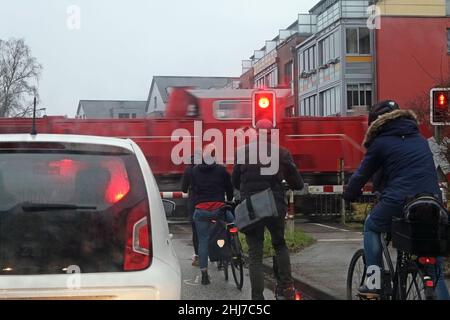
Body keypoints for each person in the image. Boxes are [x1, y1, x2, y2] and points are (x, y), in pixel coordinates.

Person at [343, 100, 450, 299]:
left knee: (372, 226)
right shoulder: (419, 139)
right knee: (435, 273)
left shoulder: (380, 142)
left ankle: (373, 281)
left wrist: (349, 194)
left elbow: (361, 175)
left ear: (376, 123)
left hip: (399, 201)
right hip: (433, 203)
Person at [232, 119, 304, 300]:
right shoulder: (281, 153)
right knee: (279, 245)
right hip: (275, 206)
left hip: (252, 209)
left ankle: (257, 297)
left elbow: (234, 181)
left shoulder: (242, 153)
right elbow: (297, 182)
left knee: (255, 254)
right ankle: (287, 288)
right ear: (272, 134)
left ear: (256, 133)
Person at [191, 147, 234, 285]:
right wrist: (230, 198)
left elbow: (191, 187)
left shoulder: (195, 170)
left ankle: (204, 274)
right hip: (219, 209)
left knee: (203, 240)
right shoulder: (221, 170)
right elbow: (230, 187)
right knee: (233, 221)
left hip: (201, 210)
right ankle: (234, 246)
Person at [181, 156, 200, 266]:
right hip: (214, 203)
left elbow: (184, 189)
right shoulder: (216, 168)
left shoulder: (189, 170)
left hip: (195, 203)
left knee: (196, 231)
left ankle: (198, 256)